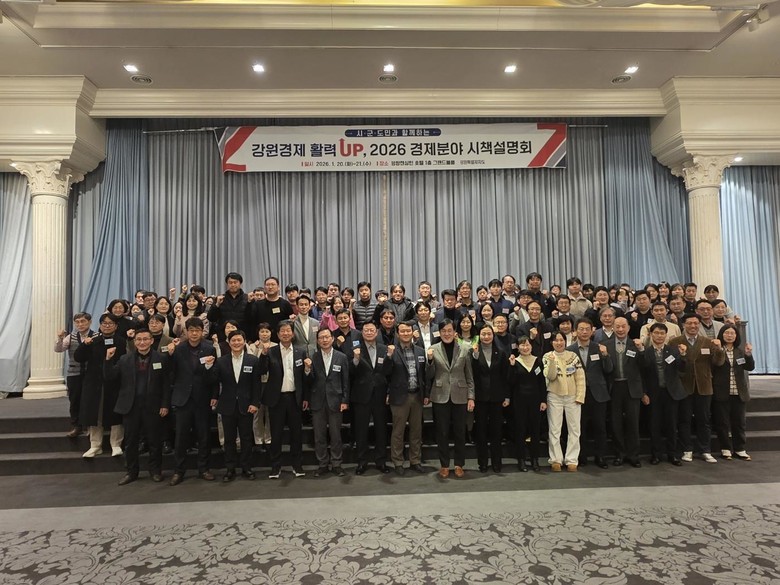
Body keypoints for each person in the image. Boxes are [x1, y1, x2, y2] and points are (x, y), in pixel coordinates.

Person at [104, 328, 170, 486]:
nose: (142, 342)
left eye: (145, 339)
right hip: (131, 406)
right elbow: (110, 377)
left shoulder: (161, 358)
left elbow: (166, 384)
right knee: (131, 441)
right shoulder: (124, 359)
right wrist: (108, 360)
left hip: (153, 406)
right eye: (139, 339)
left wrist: (165, 404)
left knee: (154, 441)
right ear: (134, 342)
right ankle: (131, 472)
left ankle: (155, 471)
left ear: (151, 341)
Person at [668, 314, 726, 464]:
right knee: (684, 420)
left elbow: (718, 362)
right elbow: (671, 364)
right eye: (689, 323)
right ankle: (687, 450)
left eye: (695, 323)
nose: (693, 326)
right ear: (683, 325)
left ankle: (705, 450)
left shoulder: (708, 342)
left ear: (699, 325)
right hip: (684, 386)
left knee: (704, 420)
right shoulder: (675, 342)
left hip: (704, 386)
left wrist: (719, 349)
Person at [166, 317, 216, 485]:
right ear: (186, 332)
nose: (194, 333)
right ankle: (179, 471)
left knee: (204, 436)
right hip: (183, 399)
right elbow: (171, 372)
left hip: (202, 398)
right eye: (191, 330)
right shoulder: (178, 348)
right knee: (181, 437)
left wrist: (214, 395)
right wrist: (169, 355)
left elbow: (213, 375)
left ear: (202, 332)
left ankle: (204, 469)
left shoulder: (209, 348)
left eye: (197, 330)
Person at [257, 320, 310, 478]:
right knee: (276, 434)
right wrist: (263, 355)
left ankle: (297, 465)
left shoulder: (301, 351)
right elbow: (261, 370)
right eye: (282, 331)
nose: (286, 333)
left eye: (288, 330)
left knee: (296, 434)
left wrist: (305, 395)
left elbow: (305, 379)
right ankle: (276, 467)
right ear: (278, 334)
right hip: (276, 399)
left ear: (293, 333)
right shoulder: (271, 351)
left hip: (295, 398)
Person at [208, 330, 261, 481]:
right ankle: (230, 469)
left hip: (247, 405)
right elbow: (213, 381)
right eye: (233, 340)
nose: (236, 343)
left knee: (246, 438)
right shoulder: (221, 361)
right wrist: (209, 368)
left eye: (239, 340)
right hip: (227, 405)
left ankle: (246, 467)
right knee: (229, 439)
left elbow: (256, 385)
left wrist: (255, 403)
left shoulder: (253, 360)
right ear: (229, 342)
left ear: (244, 342)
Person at [427, 319, 474, 478]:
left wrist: (471, 397)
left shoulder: (465, 349)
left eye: (449, 331)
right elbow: (429, 375)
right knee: (442, 432)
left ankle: (459, 464)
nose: (446, 334)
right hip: (440, 395)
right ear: (439, 333)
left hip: (460, 395)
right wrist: (430, 361)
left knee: (460, 432)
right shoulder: (433, 349)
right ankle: (444, 465)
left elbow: (469, 376)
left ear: (455, 332)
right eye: (443, 331)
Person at [74, 313, 125, 458]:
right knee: (94, 413)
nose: (107, 326)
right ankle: (95, 445)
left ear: (116, 326)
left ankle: (116, 444)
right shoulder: (93, 341)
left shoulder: (121, 341)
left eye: (110, 323)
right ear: (100, 325)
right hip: (94, 382)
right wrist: (84, 345)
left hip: (115, 382)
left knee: (116, 413)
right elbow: (78, 357)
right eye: (104, 323)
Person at [305, 328, 350, 477]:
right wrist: (307, 370)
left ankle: (337, 463)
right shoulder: (313, 357)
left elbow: (345, 381)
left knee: (336, 435)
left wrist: (345, 400)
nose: (324, 340)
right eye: (321, 338)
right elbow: (309, 381)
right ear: (317, 341)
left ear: (332, 338)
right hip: (317, 401)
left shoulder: (341, 357)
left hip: (336, 401)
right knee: (319, 436)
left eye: (327, 337)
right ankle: (322, 463)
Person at [641, 323, 688, 466]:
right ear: (651, 334)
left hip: (671, 393)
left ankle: (672, 455)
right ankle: (656, 454)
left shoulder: (673, 351)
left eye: (662, 333)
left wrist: (683, 355)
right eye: (656, 333)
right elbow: (642, 375)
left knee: (671, 425)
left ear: (666, 335)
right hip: (653, 393)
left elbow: (682, 369)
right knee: (654, 425)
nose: (659, 336)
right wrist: (644, 393)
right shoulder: (645, 352)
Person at [569, 318, 613, 469]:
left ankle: (600, 456)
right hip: (577, 395)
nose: (584, 332)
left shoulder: (599, 348)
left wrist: (605, 355)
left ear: (592, 331)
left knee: (600, 427)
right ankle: (581, 456)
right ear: (575, 331)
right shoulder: (569, 350)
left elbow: (609, 370)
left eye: (587, 329)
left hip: (598, 394)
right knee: (579, 428)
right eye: (581, 329)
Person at [386, 321, 430, 475]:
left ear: (413, 332)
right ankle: (398, 462)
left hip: (417, 395)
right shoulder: (392, 351)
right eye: (402, 331)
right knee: (398, 432)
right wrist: (388, 357)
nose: (405, 334)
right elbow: (385, 373)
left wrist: (426, 394)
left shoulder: (420, 351)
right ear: (398, 334)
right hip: (399, 397)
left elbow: (424, 374)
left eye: (408, 331)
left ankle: (415, 460)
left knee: (416, 431)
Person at [351, 321, 393, 474]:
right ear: (362, 333)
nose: (369, 332)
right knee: (361, 431)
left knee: (381, 430)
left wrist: (389, 357)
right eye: (366, 330)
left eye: (372, 330)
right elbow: (350, 373)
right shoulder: (356, 350)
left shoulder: (384, 349)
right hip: (361, 396)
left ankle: (381, 461)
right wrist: (355, 360)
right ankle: (362, 462)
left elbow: (388, 372)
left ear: (376, 332)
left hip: (380, 395)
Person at [605, 317, 646, 467]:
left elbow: (645, 366)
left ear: (628, 328)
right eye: (617, 326)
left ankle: (634, 455)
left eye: (623, 326)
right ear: (613, 328)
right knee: (616, 423)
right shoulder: (605, 345)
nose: (620, 329)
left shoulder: (636, 344)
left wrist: (641, 350)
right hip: (614, 388)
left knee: (633, 423)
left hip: (632, 388)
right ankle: (619, 454)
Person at [543, 330, 586, 472]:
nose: (559, 343)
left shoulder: (573, 356)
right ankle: (556, 459)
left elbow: (580, 378)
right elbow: (550, 376)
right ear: (552, 342)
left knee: (574, 429)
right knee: (555, 429)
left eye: (561, 340)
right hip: (554, 396)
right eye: (556, 340)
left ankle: (572, 459)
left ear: (565, 341)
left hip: (572, 397)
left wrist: (580, 396)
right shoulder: (547, 356)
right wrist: (552, 362)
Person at [712, 325, 755, 461]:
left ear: (736, 336)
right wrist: (719, 350)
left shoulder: (740, 351)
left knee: (739, 422)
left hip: (738, 392)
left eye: (732, 333)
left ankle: (740, 448)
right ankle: (725, 448)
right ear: (722, 334)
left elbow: (749, 367)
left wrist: (748, 355)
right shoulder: (716, 350)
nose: (730, 335)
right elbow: (717, 364)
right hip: (721, 392)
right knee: (722, 422)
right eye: (727, 333)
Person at [470, 323, 509, 473]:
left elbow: (505, 376)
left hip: (497, 398)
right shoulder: (474, 352)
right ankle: (483, 463)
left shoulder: (501, 352)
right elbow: (471, 375)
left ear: (493, 336)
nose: (486, 337)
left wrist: (506, 396)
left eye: (489, 334)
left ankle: (497, 462)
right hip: (480, 398)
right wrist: (474, 357)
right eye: (483, 334)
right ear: (479, 336)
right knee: (481, 432)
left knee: (496, 432)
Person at [509, 336, 546, 471]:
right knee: (520, 430)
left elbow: (542, 382)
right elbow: (510, 382)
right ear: (518, 347)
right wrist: (511, 367)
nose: (525, 348)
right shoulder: (515, 362)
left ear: (531, 346)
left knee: (535, 430)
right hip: (519, 401)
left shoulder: (538, 361)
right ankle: (521, 459)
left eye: (527, 345)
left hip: (535, 401)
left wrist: (543, 400)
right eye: (522, 345)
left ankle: (535, 459)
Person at [55, 312, 94, 437]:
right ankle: (76, 426)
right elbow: (58, 349)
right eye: (77, 322)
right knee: (75, 400)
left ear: (90, 322)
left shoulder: (96, 336)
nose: (80, 324)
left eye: (83, 321)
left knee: (89, 400)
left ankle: (90, 426)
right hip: (74, 373)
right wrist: (60, 338)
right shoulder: (70, 337)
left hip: (91, 374)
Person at [247, 276, 294, 342]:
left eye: (273, 284)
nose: (270, 287)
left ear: (278, 287)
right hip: (261, 341)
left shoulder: (285, 304)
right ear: (264, 288)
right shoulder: (257, 304)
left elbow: (290, 324)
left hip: (281, 341)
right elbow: (252, 323)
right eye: (268, 285)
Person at [207, 272, 250, 340]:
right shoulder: (220, 298)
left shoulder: (247, 298)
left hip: (242, 336)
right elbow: (211, 318)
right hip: (223, 337)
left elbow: (252, 319)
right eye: (230, 282)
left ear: (240, 283)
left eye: (235, 282)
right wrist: (217, 305)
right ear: (227, 284)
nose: (233, 285)